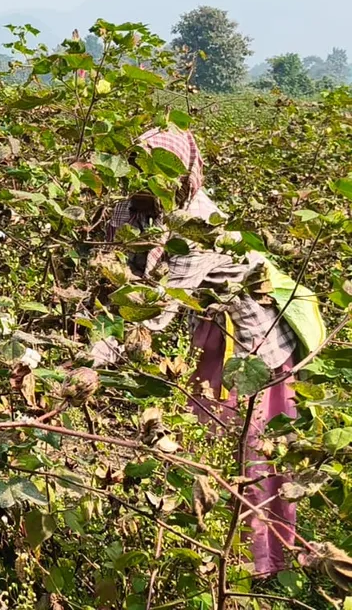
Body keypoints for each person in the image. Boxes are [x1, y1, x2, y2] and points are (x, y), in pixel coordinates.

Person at [89, 127, 325, 577]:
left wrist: (91, 360)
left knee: (254, 448)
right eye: (140, 173)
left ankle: (265, 561)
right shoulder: (127, 209)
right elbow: (110, 269)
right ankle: (215, 550)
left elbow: (155, 311)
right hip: (210, 333)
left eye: (161, 177)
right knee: (207, 441)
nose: (147, 187)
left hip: (254, 343)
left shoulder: (198, 225)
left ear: (183, 178)